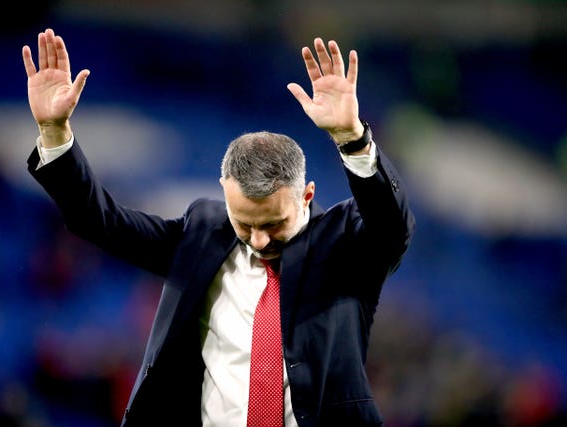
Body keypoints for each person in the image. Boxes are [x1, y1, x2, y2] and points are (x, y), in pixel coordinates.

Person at [22, 28, 415, 427]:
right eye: (245, 223)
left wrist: (352, 139)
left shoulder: (346, 242)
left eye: (275, 223)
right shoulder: (202, 233)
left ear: (307, 196)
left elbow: (393, 224)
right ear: (225, 195)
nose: (260, 240)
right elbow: (100, 222)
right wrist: (55, 133)